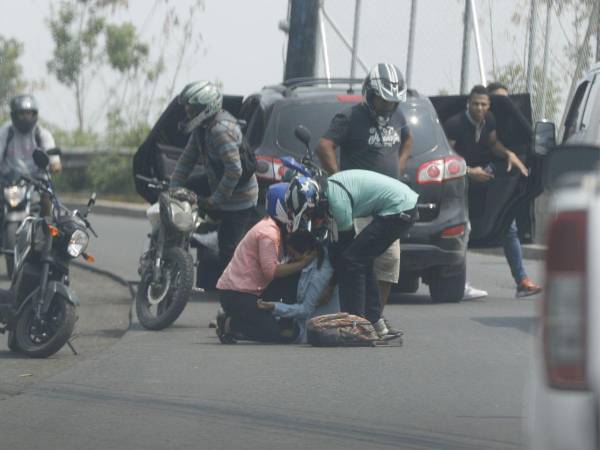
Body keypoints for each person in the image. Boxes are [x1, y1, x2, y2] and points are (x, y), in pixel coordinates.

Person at [316, 62, 411, 337]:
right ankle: (357, 321)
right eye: (383, 100)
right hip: (358, 205)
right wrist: (339, 181)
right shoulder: (349, 118)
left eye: (393, 102)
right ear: (369, 94)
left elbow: (407, 140)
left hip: (389, 205)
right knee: (356, 260)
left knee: (388, 263)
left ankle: (375, 319)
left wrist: (399, 168)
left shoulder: (398, 116)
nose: (388, 106)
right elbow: (324, 145)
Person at [286, 170, 419, 337]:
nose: (312, 218)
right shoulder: (328, 191)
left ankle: (357, 325)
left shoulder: (337, 202)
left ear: (315, 202)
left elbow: (343, 251)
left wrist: (330, 285)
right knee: (361, 258)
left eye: (309, 214)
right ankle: (374, 322)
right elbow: (340, 249)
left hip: (400, 210)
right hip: (399, 206)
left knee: (352, 261)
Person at [443, 85, 541, 298]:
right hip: (458, 182)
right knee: (462, 229)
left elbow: (493, 143)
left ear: (489, 106)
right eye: (476, 104)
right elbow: (446, 157)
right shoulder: (454, 124)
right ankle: (460, 284)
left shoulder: (490, 121)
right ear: (468, 103)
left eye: (484, 104)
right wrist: (469, 171)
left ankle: (522, 281)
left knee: (509, 225)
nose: (480, 108)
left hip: (484, 180)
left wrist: (509, 155)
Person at [170, 80, 258, 274]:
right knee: (184, 189)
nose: (188, 114)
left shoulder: (220, 131)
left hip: (239, 198)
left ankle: (230, 297)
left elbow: (235, 170)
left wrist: (215, 200)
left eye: (191, 110)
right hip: (218, 181)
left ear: (206, 108)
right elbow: (187, 160)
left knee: (228, 249)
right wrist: (173, 187)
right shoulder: (202, 129)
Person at [215, 183, 315, 344]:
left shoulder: (276, 227)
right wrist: (303, 263)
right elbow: (271, 272)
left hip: (255, 290)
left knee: (291, 276)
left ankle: (283, 320)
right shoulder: (268, 233)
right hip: (237, 295)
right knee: (276, 335)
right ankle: (229, 324)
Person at [256, 231, 340, 344]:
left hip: (311, 328)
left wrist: (274, 307)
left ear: (309, 253)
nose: (292, 259)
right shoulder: (309, 265)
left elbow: (306, 309)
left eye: (294, 255)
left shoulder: (319, 275)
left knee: (265, 332)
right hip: (299, 320)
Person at [0, 94, 62, 217]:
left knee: (47, 200)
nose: (25, 117)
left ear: (34, 114)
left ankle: (46, 233)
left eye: (28, 113)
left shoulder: (42, 134)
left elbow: (54, 159)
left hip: (36, 181)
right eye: (21, 114)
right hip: (8, 181)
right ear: (14, 115)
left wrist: (55, 164)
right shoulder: (6, 132)